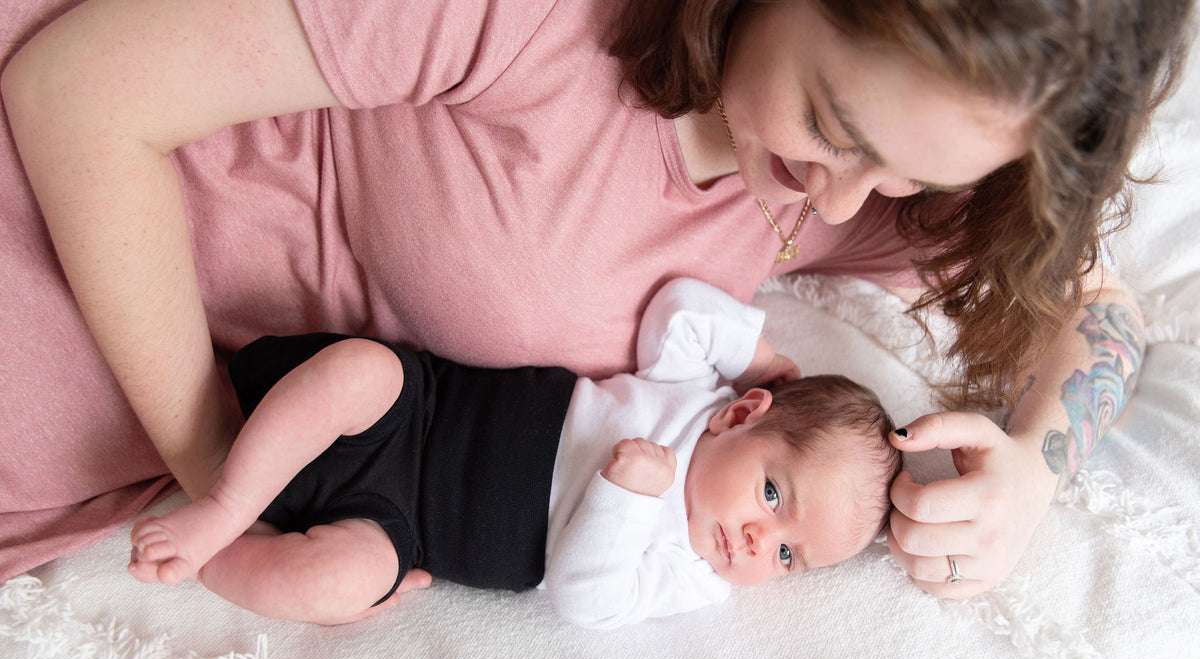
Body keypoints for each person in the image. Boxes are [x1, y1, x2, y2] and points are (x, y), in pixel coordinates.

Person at [0, 0, 1192, 598]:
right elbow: (72, 94)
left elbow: (1094, 307)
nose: (848, 192)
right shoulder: (543, 23)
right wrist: (225, 478)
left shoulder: (845, 193)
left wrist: (1038, 462)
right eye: (835, 125)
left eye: (912, 177)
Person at [126, 278, 901, 628]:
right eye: (774, 496)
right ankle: (223, 504)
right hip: (418, 412)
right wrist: (761, 356)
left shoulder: (692, 575)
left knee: (336, 585)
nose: (764, 542)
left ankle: (215, 555)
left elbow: (584, 599)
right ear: (743, 415)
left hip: (399, 527)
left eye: (791, 557)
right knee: (361, 370)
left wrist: (623, 499)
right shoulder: (692, 390)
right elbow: (682, 309)